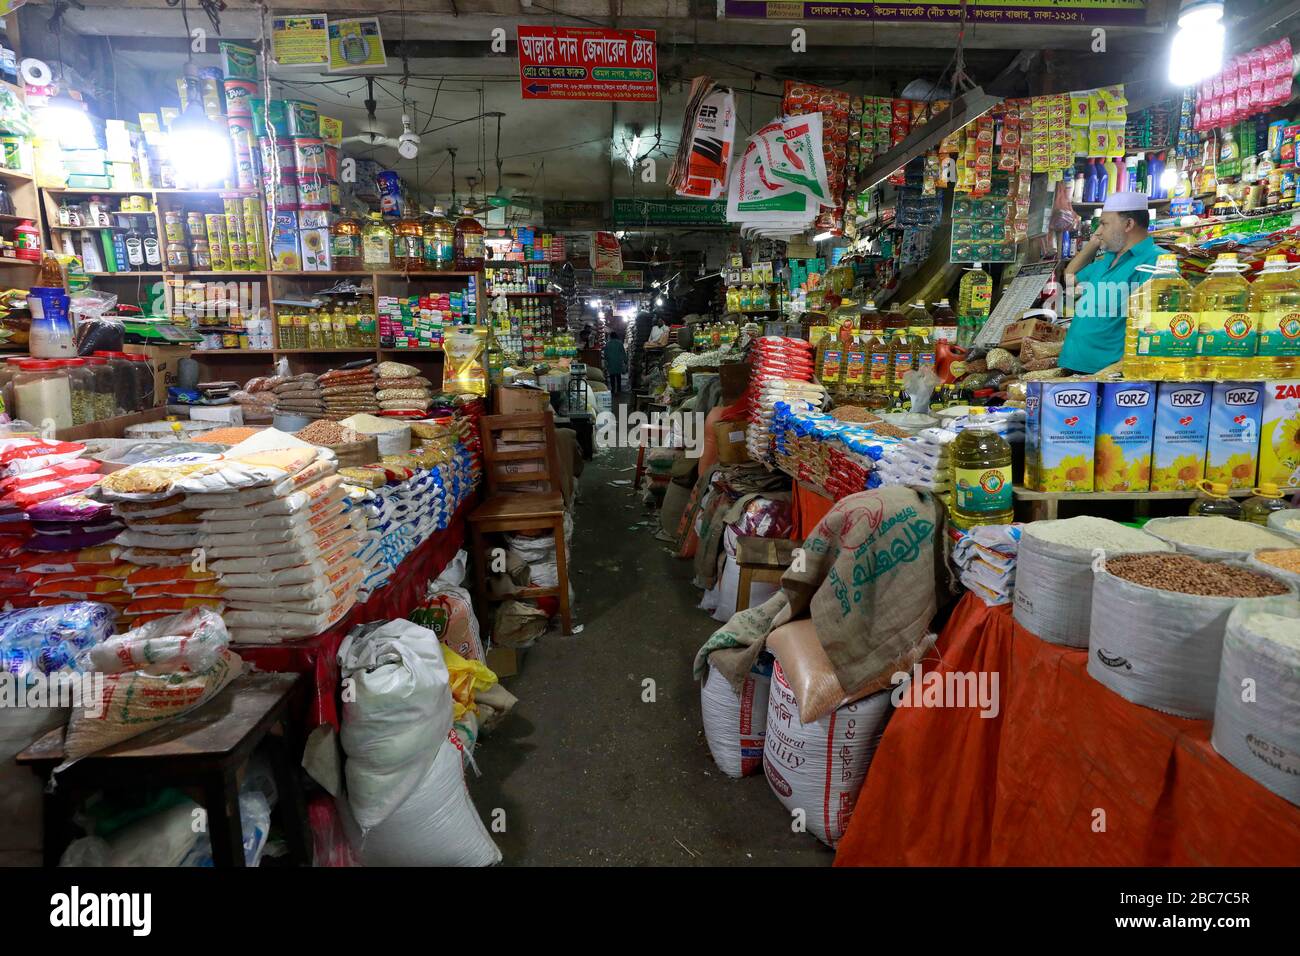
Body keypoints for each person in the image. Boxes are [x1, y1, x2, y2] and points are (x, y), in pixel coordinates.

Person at [1059, 191, 1164, 374]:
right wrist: (1093, 244)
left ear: (1129, 224)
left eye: (1104, 224)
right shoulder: (1107, 258)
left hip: (1105, 375)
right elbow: (1070, 276)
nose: (1098, 231)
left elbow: (1150, 325)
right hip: (1074, 367)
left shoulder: (1156, 261)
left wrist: (1114, 373)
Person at [604, 328, 627, 395]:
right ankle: (619, 389)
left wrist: (606, 360)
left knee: (612, 377)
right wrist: (625, 360)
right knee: (618, 376)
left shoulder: (608, 344)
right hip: (618, 362)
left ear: (610, 336)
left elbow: (605, 354)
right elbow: (623, 352)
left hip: (611, 362)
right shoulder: (620, 343)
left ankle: (613, 390)